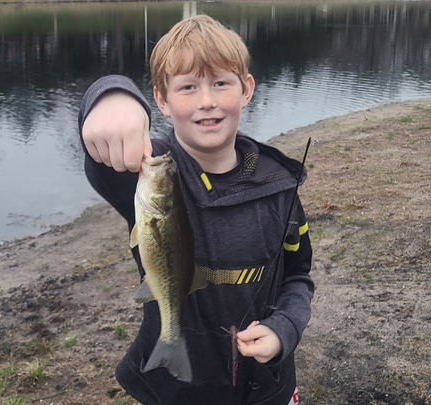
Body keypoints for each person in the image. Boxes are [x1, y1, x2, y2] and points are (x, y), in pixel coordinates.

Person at [78, 14, 313, 405]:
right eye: (187, 87)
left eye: (220, 83)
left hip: (270, 387)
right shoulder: (150, 168)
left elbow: (298, 276)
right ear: (161, 100)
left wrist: (284, 328)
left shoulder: (279, 184)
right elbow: (99, 159)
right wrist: (110, 96)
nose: (206, 101)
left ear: (246, 89)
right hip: (177, 394)